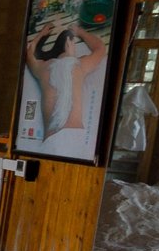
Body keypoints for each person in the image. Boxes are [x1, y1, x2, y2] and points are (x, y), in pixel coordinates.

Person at [22, 20, 107, 157]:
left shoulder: (43, 68)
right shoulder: (79, 65)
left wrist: (42, 34)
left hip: (53, 140)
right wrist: (80, 32)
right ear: (69, 45)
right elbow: (100, 48)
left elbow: (29, 54)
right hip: (75, 136)